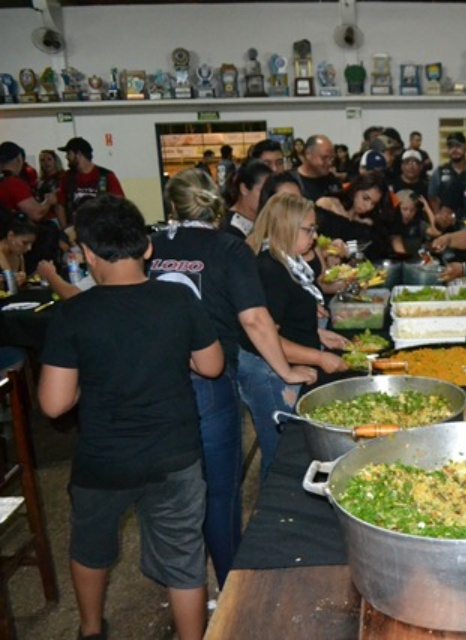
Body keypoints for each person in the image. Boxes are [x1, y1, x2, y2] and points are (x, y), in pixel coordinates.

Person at [38, 195, 224, 640]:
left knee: (91, 546)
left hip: (104, 461)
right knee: (184, 558)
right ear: (146, 248)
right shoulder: (178, 301)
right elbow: (212, 366)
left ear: (87, 253)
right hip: (174, 456)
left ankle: (89, 628)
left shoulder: (73, 314)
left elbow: (54, 404)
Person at [149, 169, 316, 590]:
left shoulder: (151, 246)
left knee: (170, 493)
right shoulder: (228, 248)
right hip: (209, 381)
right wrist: (285, 370)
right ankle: (231, 587)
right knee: (220, 492)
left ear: (173, 205)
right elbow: (257, 320)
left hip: (156, 383)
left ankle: (180, 586)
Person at [239, 193, 348, 481]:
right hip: (269, 373)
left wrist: (318, 335)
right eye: (308, 229)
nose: (315, 236)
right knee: (281, 459)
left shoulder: (288, 262)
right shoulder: (270, 269)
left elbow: (288, 319)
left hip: (281, 365)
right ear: (286, 227)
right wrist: (318, 357)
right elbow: (267, 338)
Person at [316, 172, 389, 261]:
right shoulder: (327, 204)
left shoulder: (368, 225)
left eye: (373, 203)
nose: (368, 206)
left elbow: (366, 256)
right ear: (355, 190)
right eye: (365, 198)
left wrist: (348, 251)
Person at [55, 137, 124, 229]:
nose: (66, 157)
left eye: (69, 153)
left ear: (78, 154)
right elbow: (60, 205)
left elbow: (119, 203)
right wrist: (65, 230)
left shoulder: (105, 176)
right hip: (75, 229)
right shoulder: (67, 178)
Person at [221, 159, 272, 239]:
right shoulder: (228, 229)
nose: (268, 197)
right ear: (244, 189)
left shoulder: (267, 222)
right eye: (263, 191)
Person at [428, 132, 466, 213]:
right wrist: (438, 215)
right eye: (451, 147)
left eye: (458, 146)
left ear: (465, 146)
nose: (454, 150)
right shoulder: (439, 172)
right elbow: (432, 196)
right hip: (447, 221)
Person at [290, 135, 341, 202]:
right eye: (324, 158)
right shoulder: (292, 182)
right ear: (308, 155)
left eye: (331, 158)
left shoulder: (331, 180)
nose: (329, 163)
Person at [0, 215, 38, 289]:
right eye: (24, 243)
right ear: (11, 235)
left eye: (31, 244)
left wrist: (24, 279)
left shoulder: (19, 256)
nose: (29, 248)